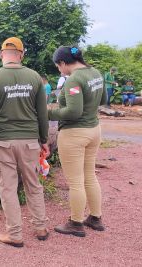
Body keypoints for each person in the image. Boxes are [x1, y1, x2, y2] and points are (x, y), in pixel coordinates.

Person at [0, 37, 49, 248]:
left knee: (8, 188)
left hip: (4, 141)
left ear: (1, 54)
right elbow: (42, 113)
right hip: (30, 141)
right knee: (33, 184)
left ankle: (15, 234)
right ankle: (41, 227)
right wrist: (44, 139)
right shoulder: (35, 77)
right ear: (22, 54)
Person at [48, 46, 107, 237]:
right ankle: (95, 217)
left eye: (58, 66)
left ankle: (75, 223)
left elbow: (73, 112)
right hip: (94, 129)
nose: (59, 70)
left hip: (75, 133)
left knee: (75, 181)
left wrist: (48, 112)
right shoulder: (95, 72)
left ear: (64, 63)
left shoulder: (74, 79)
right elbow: (103, 99)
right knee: (89, 175)